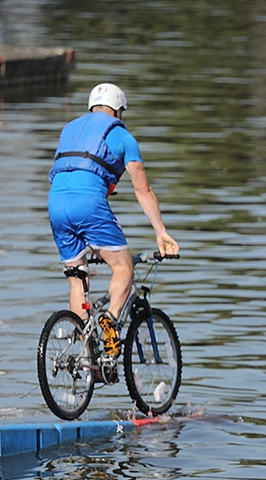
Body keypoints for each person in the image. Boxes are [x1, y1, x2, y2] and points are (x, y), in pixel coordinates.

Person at [47, 83, 179, 356]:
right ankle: (111, 318)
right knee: (123, 268)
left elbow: (71, 172)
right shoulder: (121, 135)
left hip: (55, 203)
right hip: (88, 204)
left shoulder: (69, 129)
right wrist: (161, 232)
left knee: (77, 279)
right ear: (118, 112)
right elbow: (143, 189)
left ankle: (87, 357)